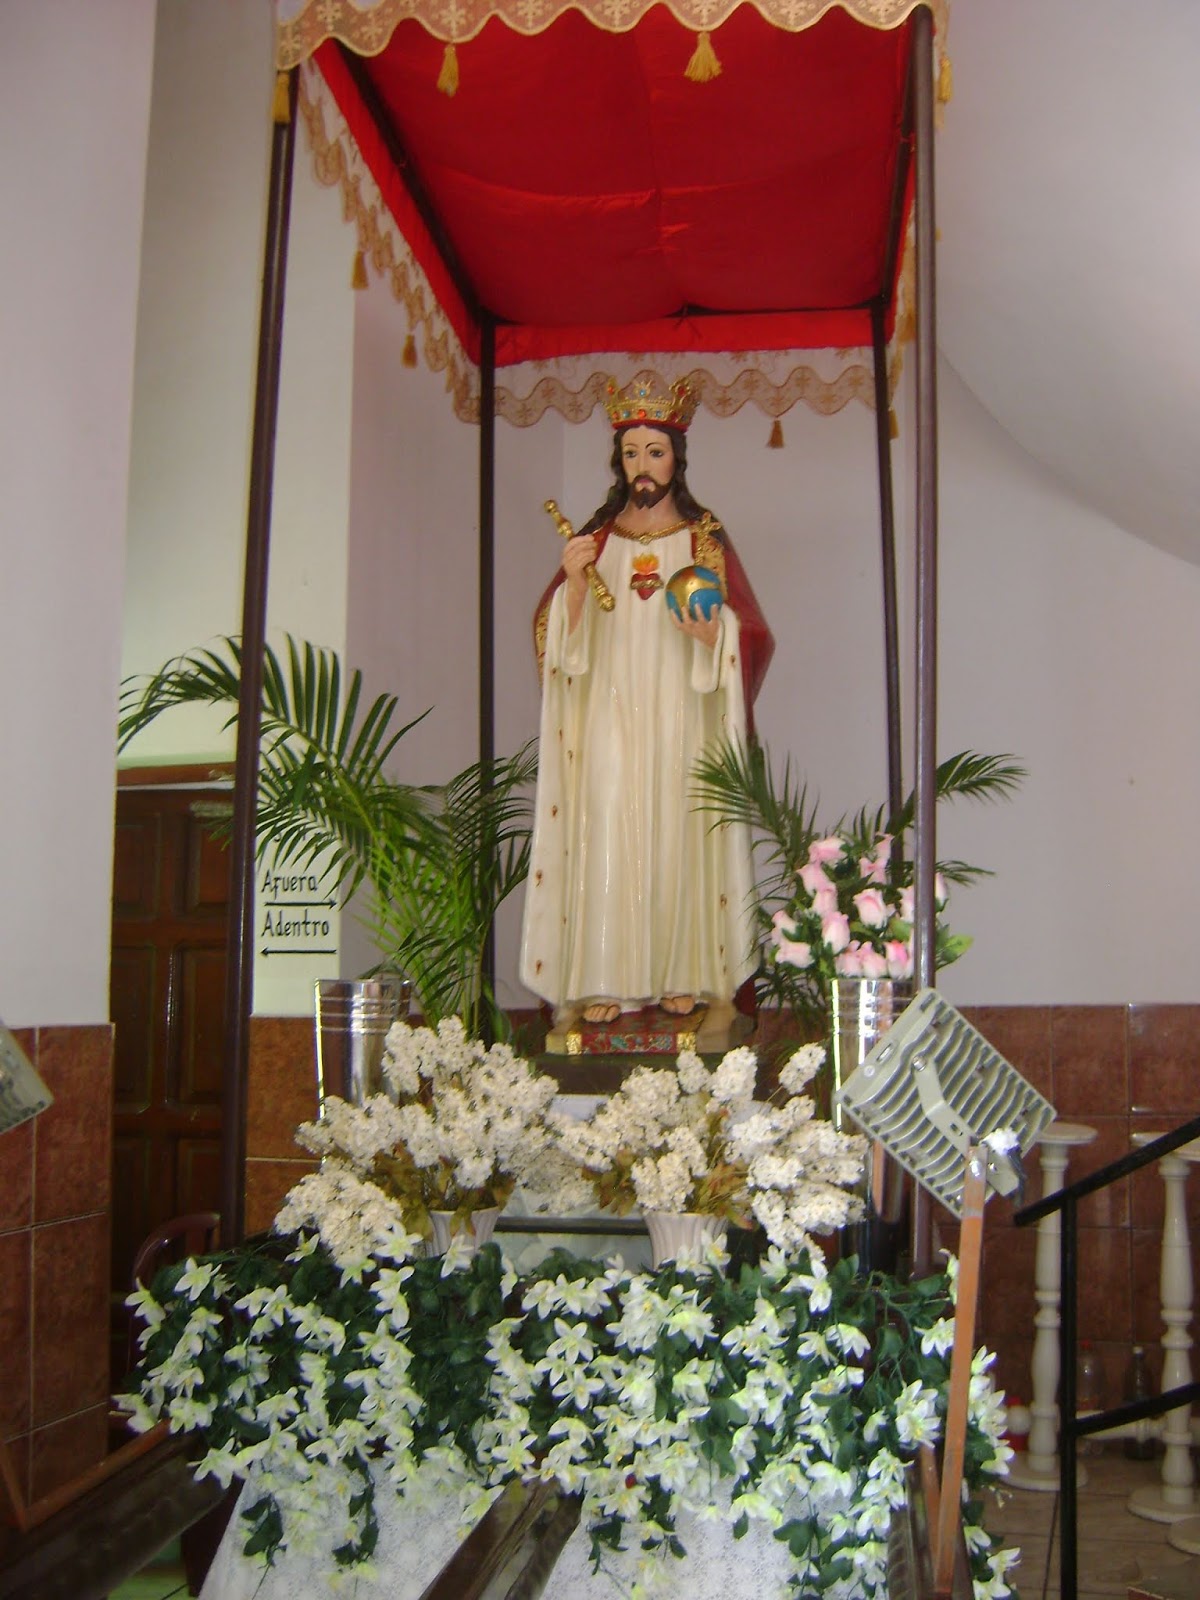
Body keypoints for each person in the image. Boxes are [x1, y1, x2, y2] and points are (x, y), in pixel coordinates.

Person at [519, 377, 774, 1029]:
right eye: (630, 453)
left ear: (676, 458)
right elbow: (554, 641)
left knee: (682, 832)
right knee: (607, 826)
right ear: (619, 461)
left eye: (654, 452)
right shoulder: (597, 543)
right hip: (609, 716)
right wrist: (574, 584)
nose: (642, 467)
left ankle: (683, 973)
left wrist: (714, 636)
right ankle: (607, 974)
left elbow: (754, 635)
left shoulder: (704, 540)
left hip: (683, 718)